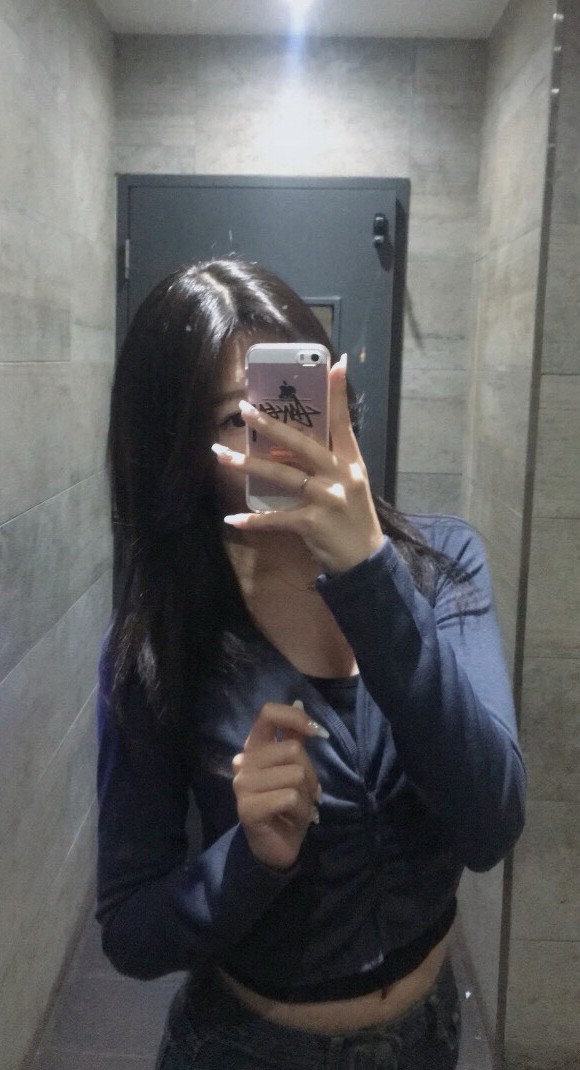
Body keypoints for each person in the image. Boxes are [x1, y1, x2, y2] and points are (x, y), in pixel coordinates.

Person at [96, 257, 526, 1070]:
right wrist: (249, 859)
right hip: (247, 1049)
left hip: (427, 1040)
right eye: (238, 417)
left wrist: (369, 573)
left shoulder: (441, 567)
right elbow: (129, 930)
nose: (284, 438)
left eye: (292, 396)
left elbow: (490, 823)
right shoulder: (164, 641)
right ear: (181, 448)